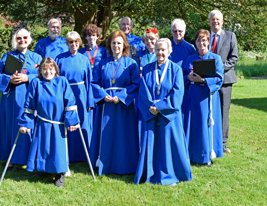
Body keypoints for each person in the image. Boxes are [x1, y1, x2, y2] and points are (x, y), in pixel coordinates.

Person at [134, 38, 192, 186]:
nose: (160, 53)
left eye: (163, 50)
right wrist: (152, 108)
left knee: (167, 145)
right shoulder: (146, 68)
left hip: (169, 115)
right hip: (150, 113)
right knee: (151, 143)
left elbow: (177, 94)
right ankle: (150, 172)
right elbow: (143, 92)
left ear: (169, 51)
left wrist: (160, 108)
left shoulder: (176, 69)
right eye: (158, 49)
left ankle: (169, 174)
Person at [18, 57, 80, 187]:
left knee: (57, 149)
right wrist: (25, 123)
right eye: (44, 69)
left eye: (50, 69)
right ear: (40, 70)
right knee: (42, 148)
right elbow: (29, 106)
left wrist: (72, 121)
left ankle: (59, 174)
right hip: (42, 123)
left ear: (55, 69)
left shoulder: (62, 82)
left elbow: (70, 103)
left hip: (58, 124)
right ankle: (42, 169)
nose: (48, 72)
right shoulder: (36, 83)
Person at [0, 27, 42, 169]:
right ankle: (11, 158)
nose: (22, 40)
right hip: (12, 99)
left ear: (29, 40)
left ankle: (30, 157)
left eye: (25, 37)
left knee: (30, 126)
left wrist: (28, 77)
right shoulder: (8, 57)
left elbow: (43, 75)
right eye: (19, 38)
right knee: (12, 127)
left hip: (31, 98)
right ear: (15, 40)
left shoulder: (37, 58)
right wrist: (9, 80)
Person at [90, 30, 140, 176]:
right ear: (109, 45)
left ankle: (125, 165)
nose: (116, 46)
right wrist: (103, 95)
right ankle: (105, 164)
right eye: (113, 43)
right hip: (106, 105)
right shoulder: (103, 63)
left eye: (119, 43)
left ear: (124, 44)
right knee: (106, 134)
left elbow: (135, 84)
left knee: (123, 135)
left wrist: (121, 96)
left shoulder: (131, 63)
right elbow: (94, 82)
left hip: (124, 106)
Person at [182, 29, 224, 167]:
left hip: (207, 97)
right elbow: (181, 77)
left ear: (208, 42)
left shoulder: (216, 59)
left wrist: (204, 81)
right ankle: (192, 154)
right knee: (193, 125)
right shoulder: (190, 59)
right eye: (199, 40)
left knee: (205, 125)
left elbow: (219, 79)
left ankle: (206, 156)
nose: (202, 43)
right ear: (195, 42)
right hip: (192, 97)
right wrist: (187, 77)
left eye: (204, 40)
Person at [55, 31, 94, 163]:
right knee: (66, 122)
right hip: (65, 94)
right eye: (71, 42)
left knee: (82, 122)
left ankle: (83, 154)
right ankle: (67, 153)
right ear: (67, 43)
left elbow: (89, 81)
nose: (74, 44)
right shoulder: (59, 59)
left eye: (76, 41)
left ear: (79, 42)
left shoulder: (84, 59)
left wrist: (90, 100)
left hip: (81, 94)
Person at [208, 10, 238, 154]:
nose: (215, 22)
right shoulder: (205, 37)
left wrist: (219, 69)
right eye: (213, 19)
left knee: (223, 112)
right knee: (209, 111)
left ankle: (223, 144)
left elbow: (234, 58)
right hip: (207, 81)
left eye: (218, 19)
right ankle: (209, 140)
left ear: (222, 21)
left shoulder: (230, 36)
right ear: (209, 22)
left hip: (225, 81)